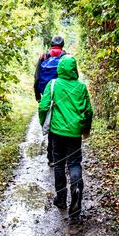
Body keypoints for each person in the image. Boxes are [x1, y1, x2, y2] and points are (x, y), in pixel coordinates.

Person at [38, 55, 93, 221]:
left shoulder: (53, 84)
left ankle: (61, 199)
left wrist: (44, 125)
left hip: (57, 133)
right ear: (74, 68)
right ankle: (76, 192)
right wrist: (85, 129)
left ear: (60, 68)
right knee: (75, 163)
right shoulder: (81, 87)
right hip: (74, 134)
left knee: (59, 164)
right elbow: (88, 112)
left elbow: (43, 107)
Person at [34, 35, 67, 166]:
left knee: (50, 123)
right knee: (62, 121)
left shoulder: (44, 56)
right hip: (62, 93)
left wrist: (37, 94)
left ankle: (51, 157)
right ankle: (61, 155)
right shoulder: (66, 57)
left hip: (47, 93)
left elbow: (37, 76)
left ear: (51, 44)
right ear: (62, 45)